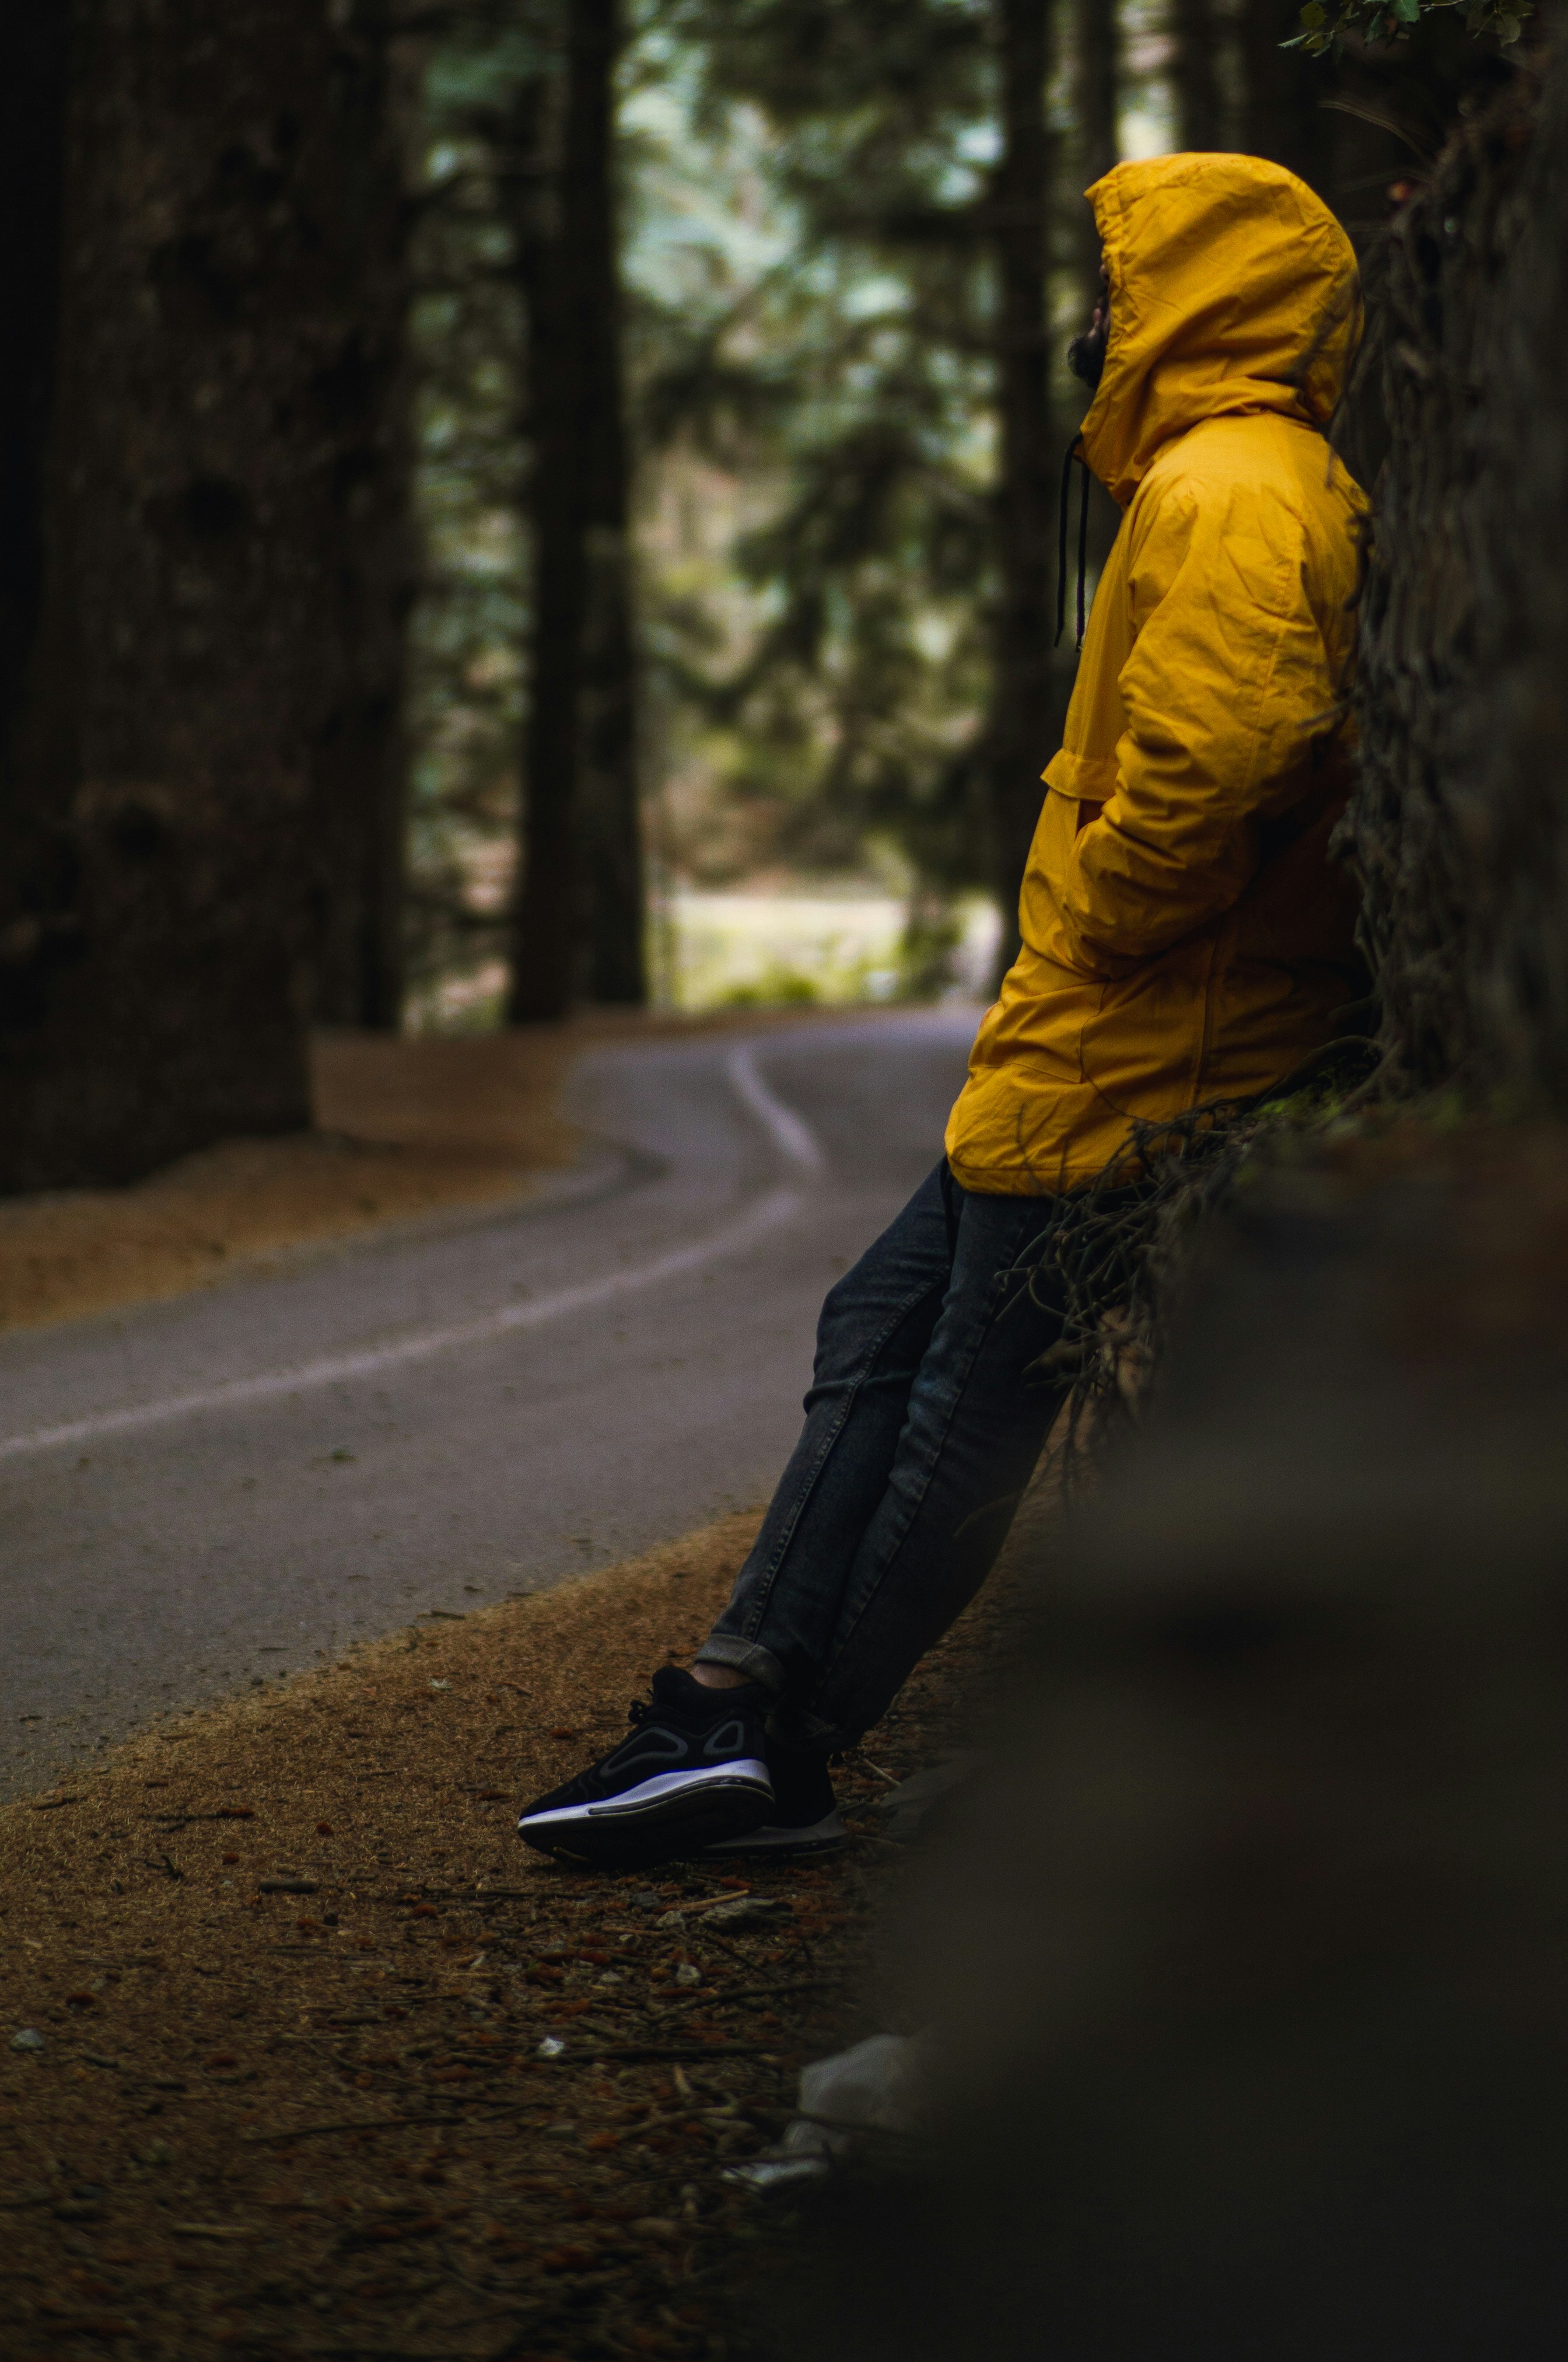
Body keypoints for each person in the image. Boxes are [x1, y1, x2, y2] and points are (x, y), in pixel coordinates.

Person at [519, 151, 1370, 1870]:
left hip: (1145, 1052)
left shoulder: (1234, 490)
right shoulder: (1207, 482)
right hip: (1090, 1046)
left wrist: (1112, 923)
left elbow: (1223, 758)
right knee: (878, 1331)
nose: (1094, 321)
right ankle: (734, 1694)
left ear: (1194, 301)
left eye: (1124, 288)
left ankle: (784, 1747)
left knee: (959, 1414)